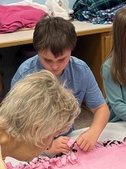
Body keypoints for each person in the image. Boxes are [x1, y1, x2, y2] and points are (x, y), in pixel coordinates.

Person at [11, 15, 109, 152]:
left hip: (67, 140)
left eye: (62, 59)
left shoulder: (80, 70)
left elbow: (101, 109)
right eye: (48, 60)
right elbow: (15, 125)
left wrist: (94, 131)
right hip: (31, 145)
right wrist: (45, 147)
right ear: (37, 52)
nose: (55, 66)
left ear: (71, 50)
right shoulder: (25, 75)